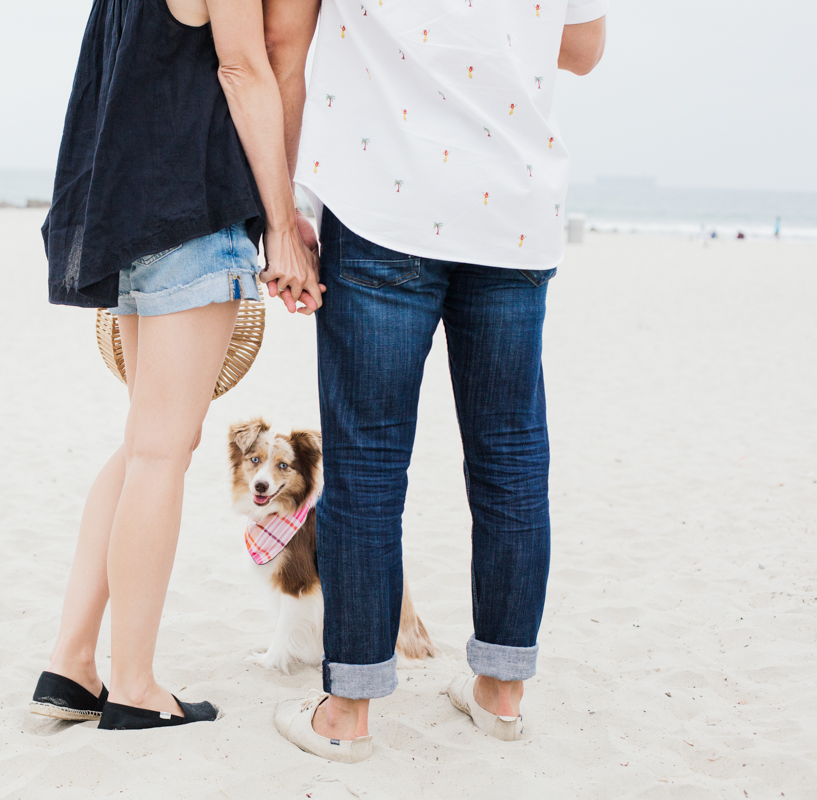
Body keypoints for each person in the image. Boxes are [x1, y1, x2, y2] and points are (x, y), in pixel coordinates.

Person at [264, 0, 608, 761]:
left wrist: (283, 211)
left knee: (369, 466)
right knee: (513, 458)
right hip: (513, 206)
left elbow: (283, 34)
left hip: (385, 196)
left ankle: (347, 713)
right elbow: (583, 48)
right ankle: (502, 695)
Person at [32, 0, 322, 731]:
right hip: (190, 211)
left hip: (130, 211)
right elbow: (245, 65)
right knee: (162, 450)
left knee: (144, 443)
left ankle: (71, 664)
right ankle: (133, 685)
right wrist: (282, 227)